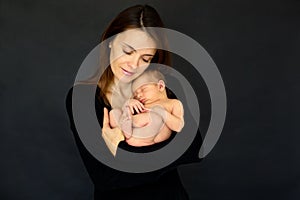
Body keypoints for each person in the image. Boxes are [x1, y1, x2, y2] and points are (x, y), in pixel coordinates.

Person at [66, 4, 202, 199]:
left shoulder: (156, 87)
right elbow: (106, 178)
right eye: (128, 51)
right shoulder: (82, 99)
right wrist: (168, 151)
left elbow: (194, 148)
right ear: (110, 41)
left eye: (145, 58)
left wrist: (117, 149)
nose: (134, 65)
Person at [109, 69, 185, 147]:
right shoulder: (141, 104)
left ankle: (127, 128)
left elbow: (178, 126)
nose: (139, 96)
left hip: (149, 134)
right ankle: (124, 128)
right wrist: (129, 103)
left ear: (160, 86)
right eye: (135, 94)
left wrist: (162, 112)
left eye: (143, 89)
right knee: (114, 112)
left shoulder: (173, 103)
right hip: (132, 130)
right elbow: (132, 110)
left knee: (156, 117)